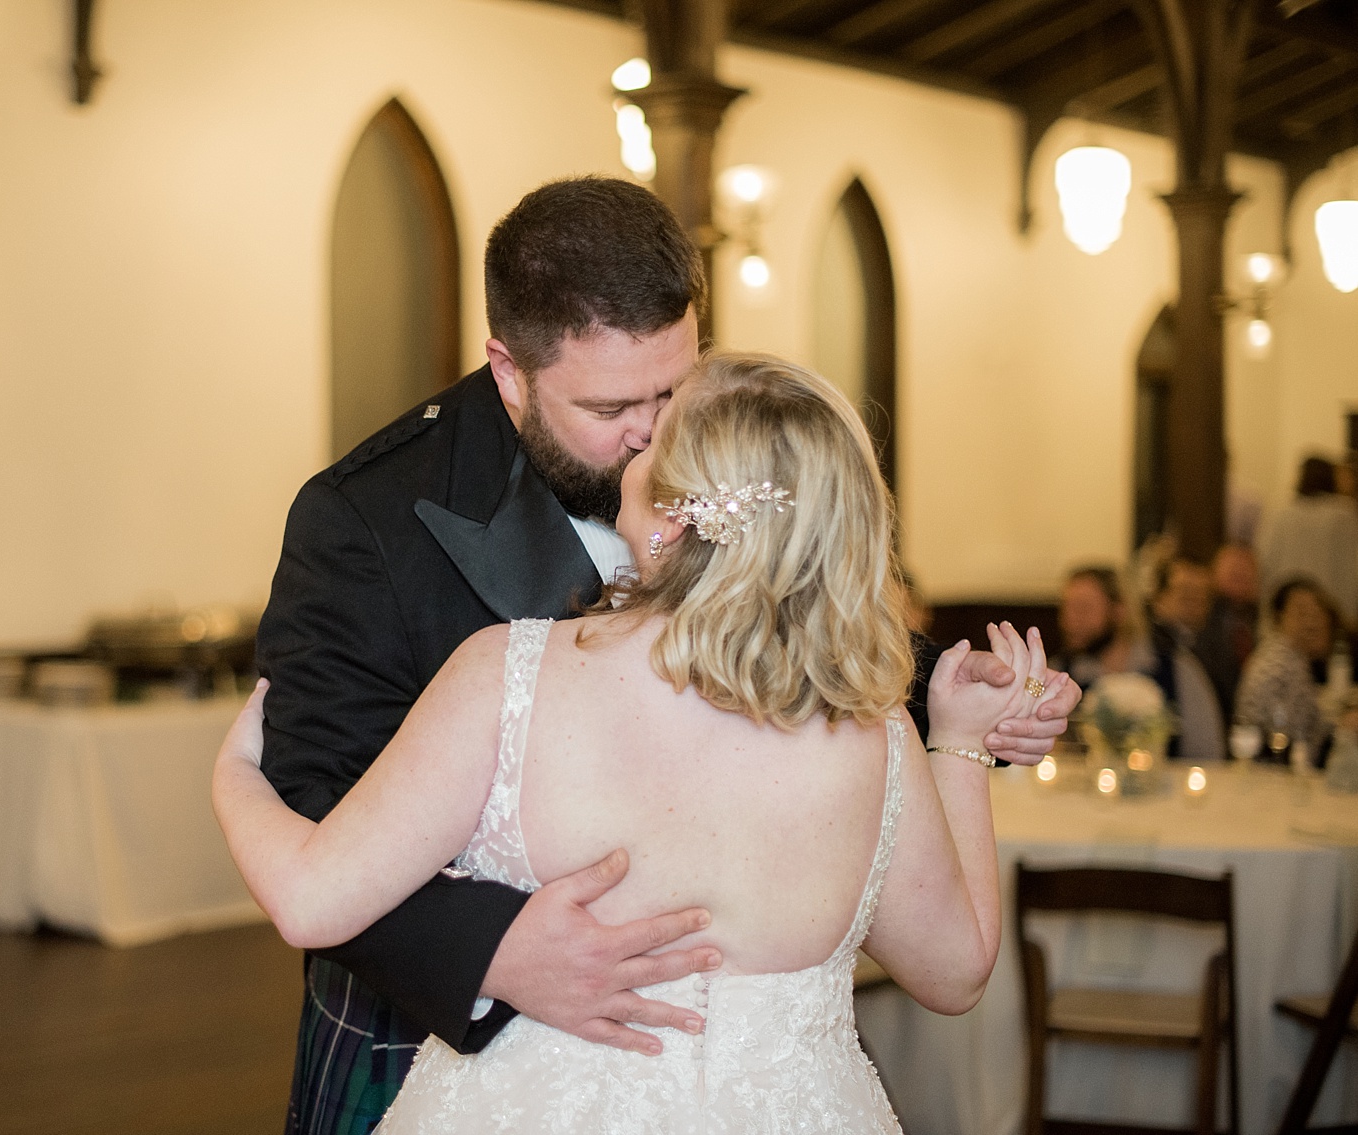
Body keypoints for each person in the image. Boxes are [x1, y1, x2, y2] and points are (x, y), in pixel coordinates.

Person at [254, 176, 1080, 1134]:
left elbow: (791, 607)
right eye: (611, 408)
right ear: (509, 370)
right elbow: (314, 792)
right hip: (439, 1036)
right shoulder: (363, 519)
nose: (655, 435)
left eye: (673, 389)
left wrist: (958, 702)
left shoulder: (706, 453)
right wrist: (491, 951)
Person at [1052, 565, 1224, 759]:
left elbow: (1208, 756)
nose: (1070, 620)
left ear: (1119, 611)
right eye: (1067, 608)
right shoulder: (1059, 674)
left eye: (1084, 608)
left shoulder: (1177, 670)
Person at [1236, 578, 1343, 762]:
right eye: (1302, 612)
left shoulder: (1288, 655)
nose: (1312, 621)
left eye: (1317, 612)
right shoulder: (1279, 664)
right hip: (1271, 771)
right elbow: (1290, 739)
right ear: (1279, 618)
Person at [1258, 456, 1358, 626]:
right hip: (1332, 611)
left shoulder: (1281, 515)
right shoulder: (1345, 516)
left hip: (1287, 612)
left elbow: (1265, 561)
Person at [1150, 557, 1241, 723]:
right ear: (1158, 598)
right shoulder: (1148, 648)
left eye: (1201, 593)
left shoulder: (1218, 646)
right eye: (1185, 592)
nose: (1194, 601)